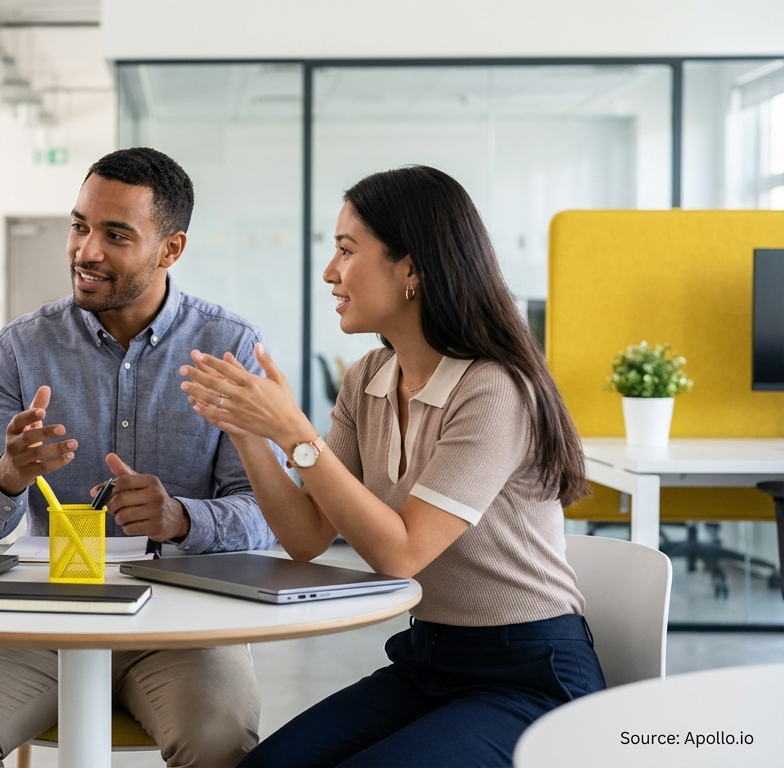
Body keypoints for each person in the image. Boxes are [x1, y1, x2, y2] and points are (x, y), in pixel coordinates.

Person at [179, 165, 607, 767]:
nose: (330, 271)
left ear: (411, 269)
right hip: (427, 660)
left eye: (347, 250)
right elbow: (305, 537)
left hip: (527, 675)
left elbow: (401, 555)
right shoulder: (369, 379)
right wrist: (250, 433)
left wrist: (296, 432)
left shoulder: (494, 390)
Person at [0, 148, 278, 768]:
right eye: (80, 226)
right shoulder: (20, 350)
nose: (86, 251)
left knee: (220, 741)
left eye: (116, 235)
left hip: (184, 628)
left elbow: (267, 514)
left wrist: (182, 519)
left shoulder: (230, 348)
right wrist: (7, 476)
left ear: (171, 249)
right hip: (45, 619)